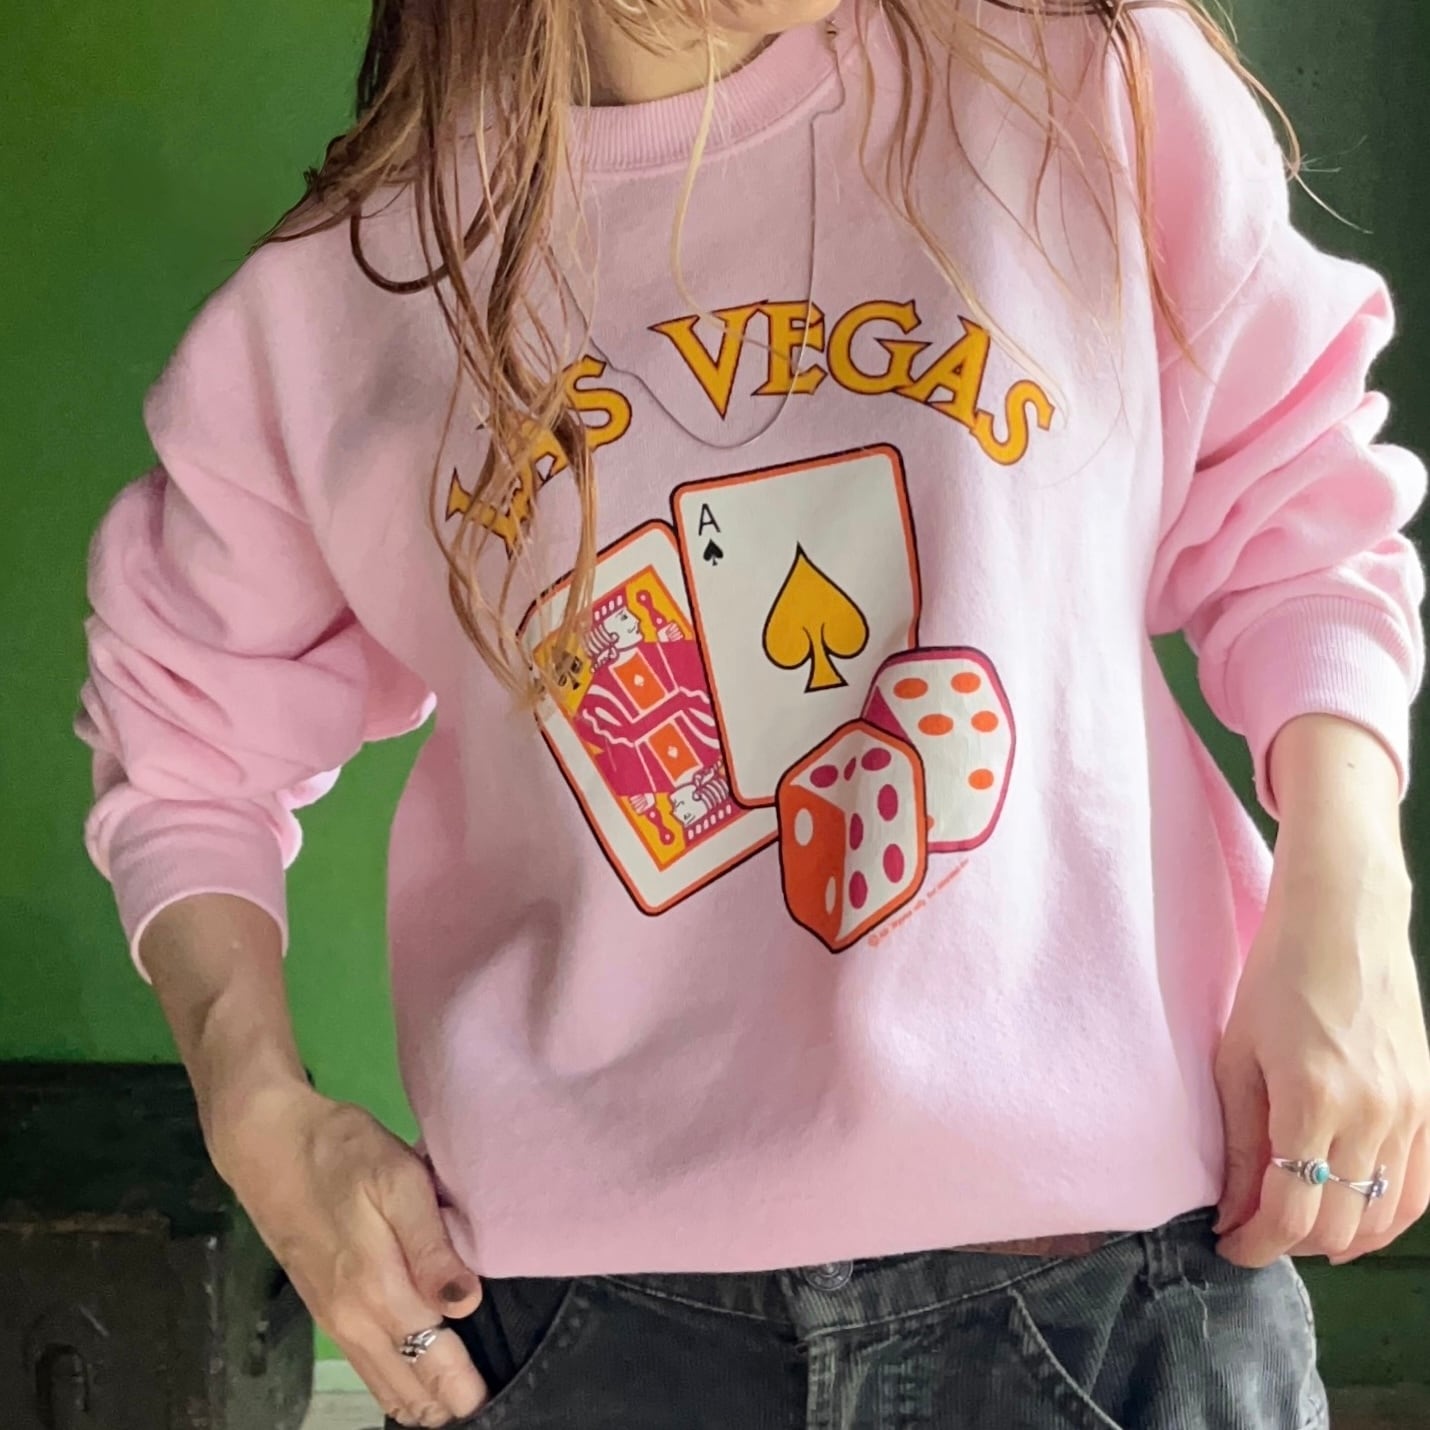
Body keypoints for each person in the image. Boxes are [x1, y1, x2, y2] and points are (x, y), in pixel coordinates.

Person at [76, 0, 1430, 1423]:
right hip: (581, 1333)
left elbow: (1296, 515)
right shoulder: (349, 293)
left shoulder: (1091, 82)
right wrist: (257, 1115)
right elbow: (183, 742)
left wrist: (1351, 901)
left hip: (1114, 1289)